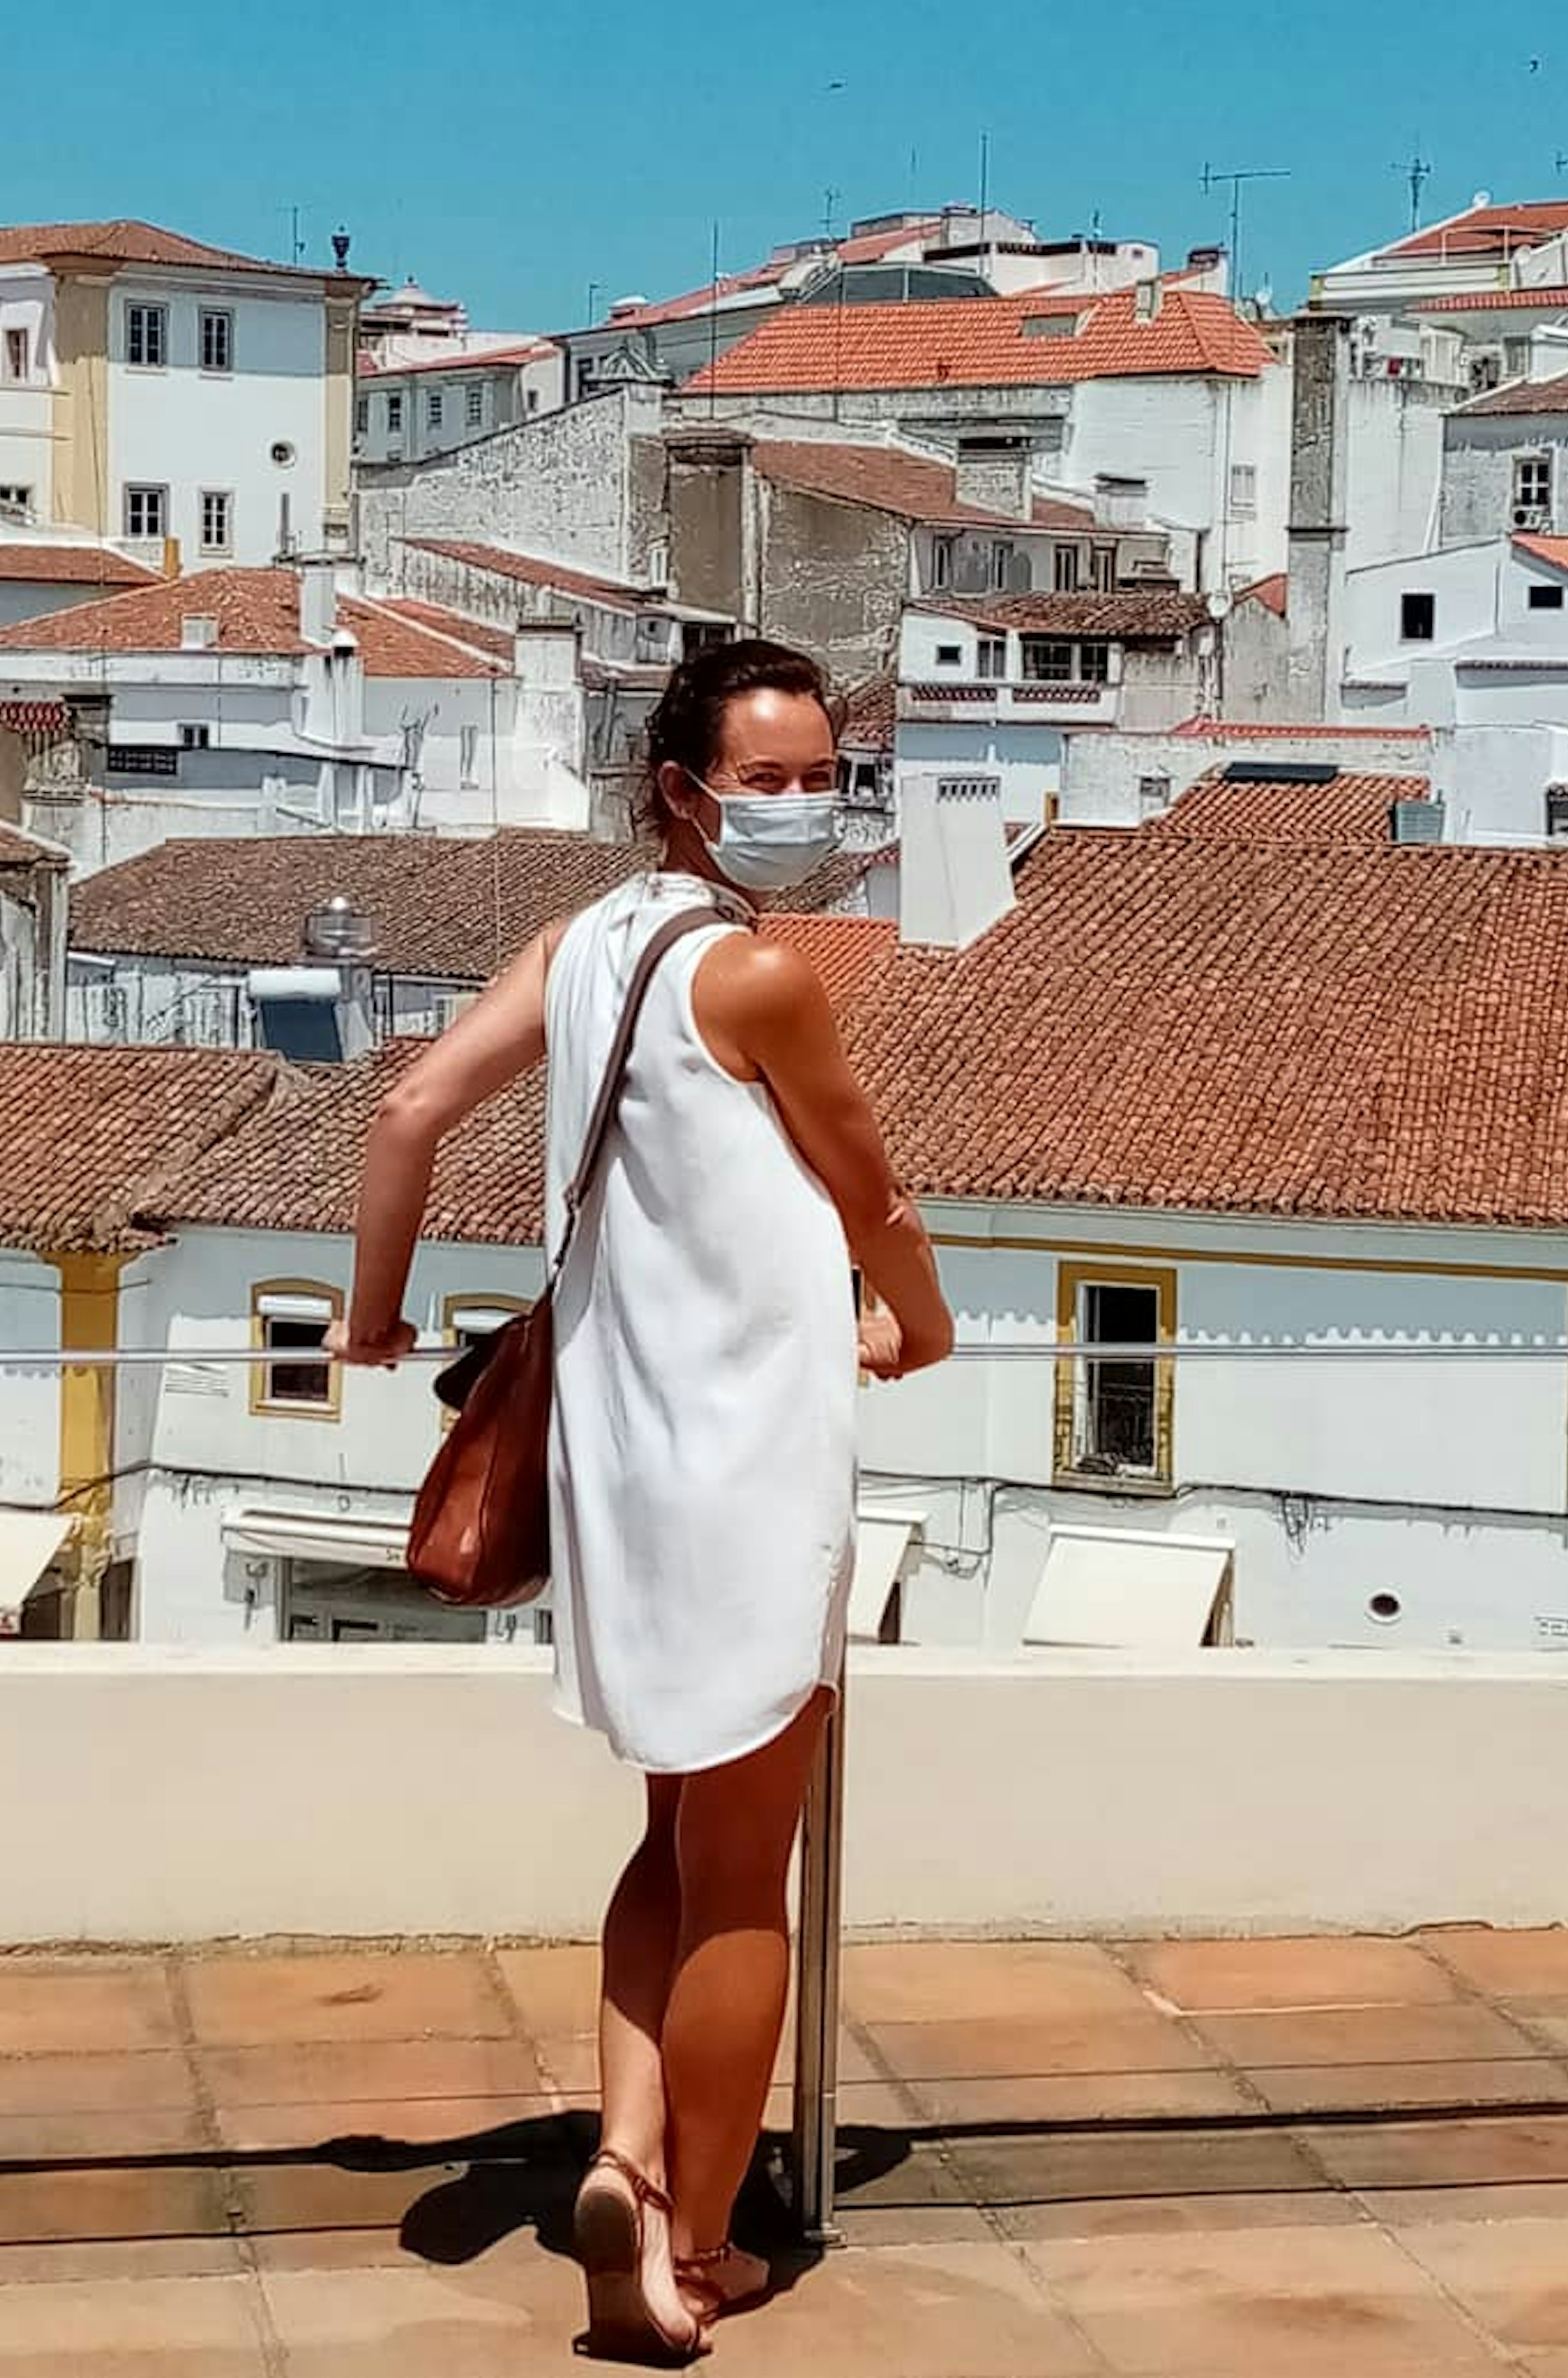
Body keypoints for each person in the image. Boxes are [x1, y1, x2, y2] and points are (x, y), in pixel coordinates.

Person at [333, 638, 955, 2364]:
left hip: (619, 1463)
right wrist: (929, 1316)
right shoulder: (756, 977)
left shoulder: (583, 942)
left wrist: (377, 1313)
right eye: (770, 776)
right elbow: (871, 1186)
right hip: (744, 1462)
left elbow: (408, 1111)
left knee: (674, 1836)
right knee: (747, 1871)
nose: (808, 801)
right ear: (683, 788)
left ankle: (620, 2159)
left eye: (825, 768)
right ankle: (697, 2241)